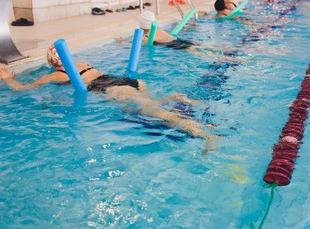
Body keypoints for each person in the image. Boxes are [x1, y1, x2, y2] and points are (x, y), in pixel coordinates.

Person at [0, 45, 220, 154]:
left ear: (52, 63)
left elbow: (22, 89)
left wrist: (8, 79)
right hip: (126, 81)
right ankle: (173, 97)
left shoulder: (56, 75)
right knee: (150, 108)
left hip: (114, 90)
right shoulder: (82, 62)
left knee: (160, 115)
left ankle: (207, 135)